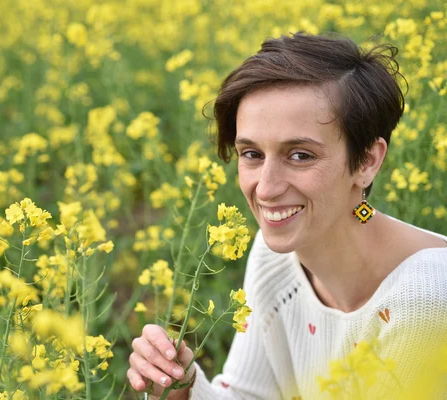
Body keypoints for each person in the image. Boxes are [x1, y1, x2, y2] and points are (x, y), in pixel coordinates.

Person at [126, 32, 447, 399]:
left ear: (367, 161)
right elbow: (249, 394)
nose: (265, 189)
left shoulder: (427, 301)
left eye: (300, 155)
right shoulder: (274, 256)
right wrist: (182, 388)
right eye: (252, 154)